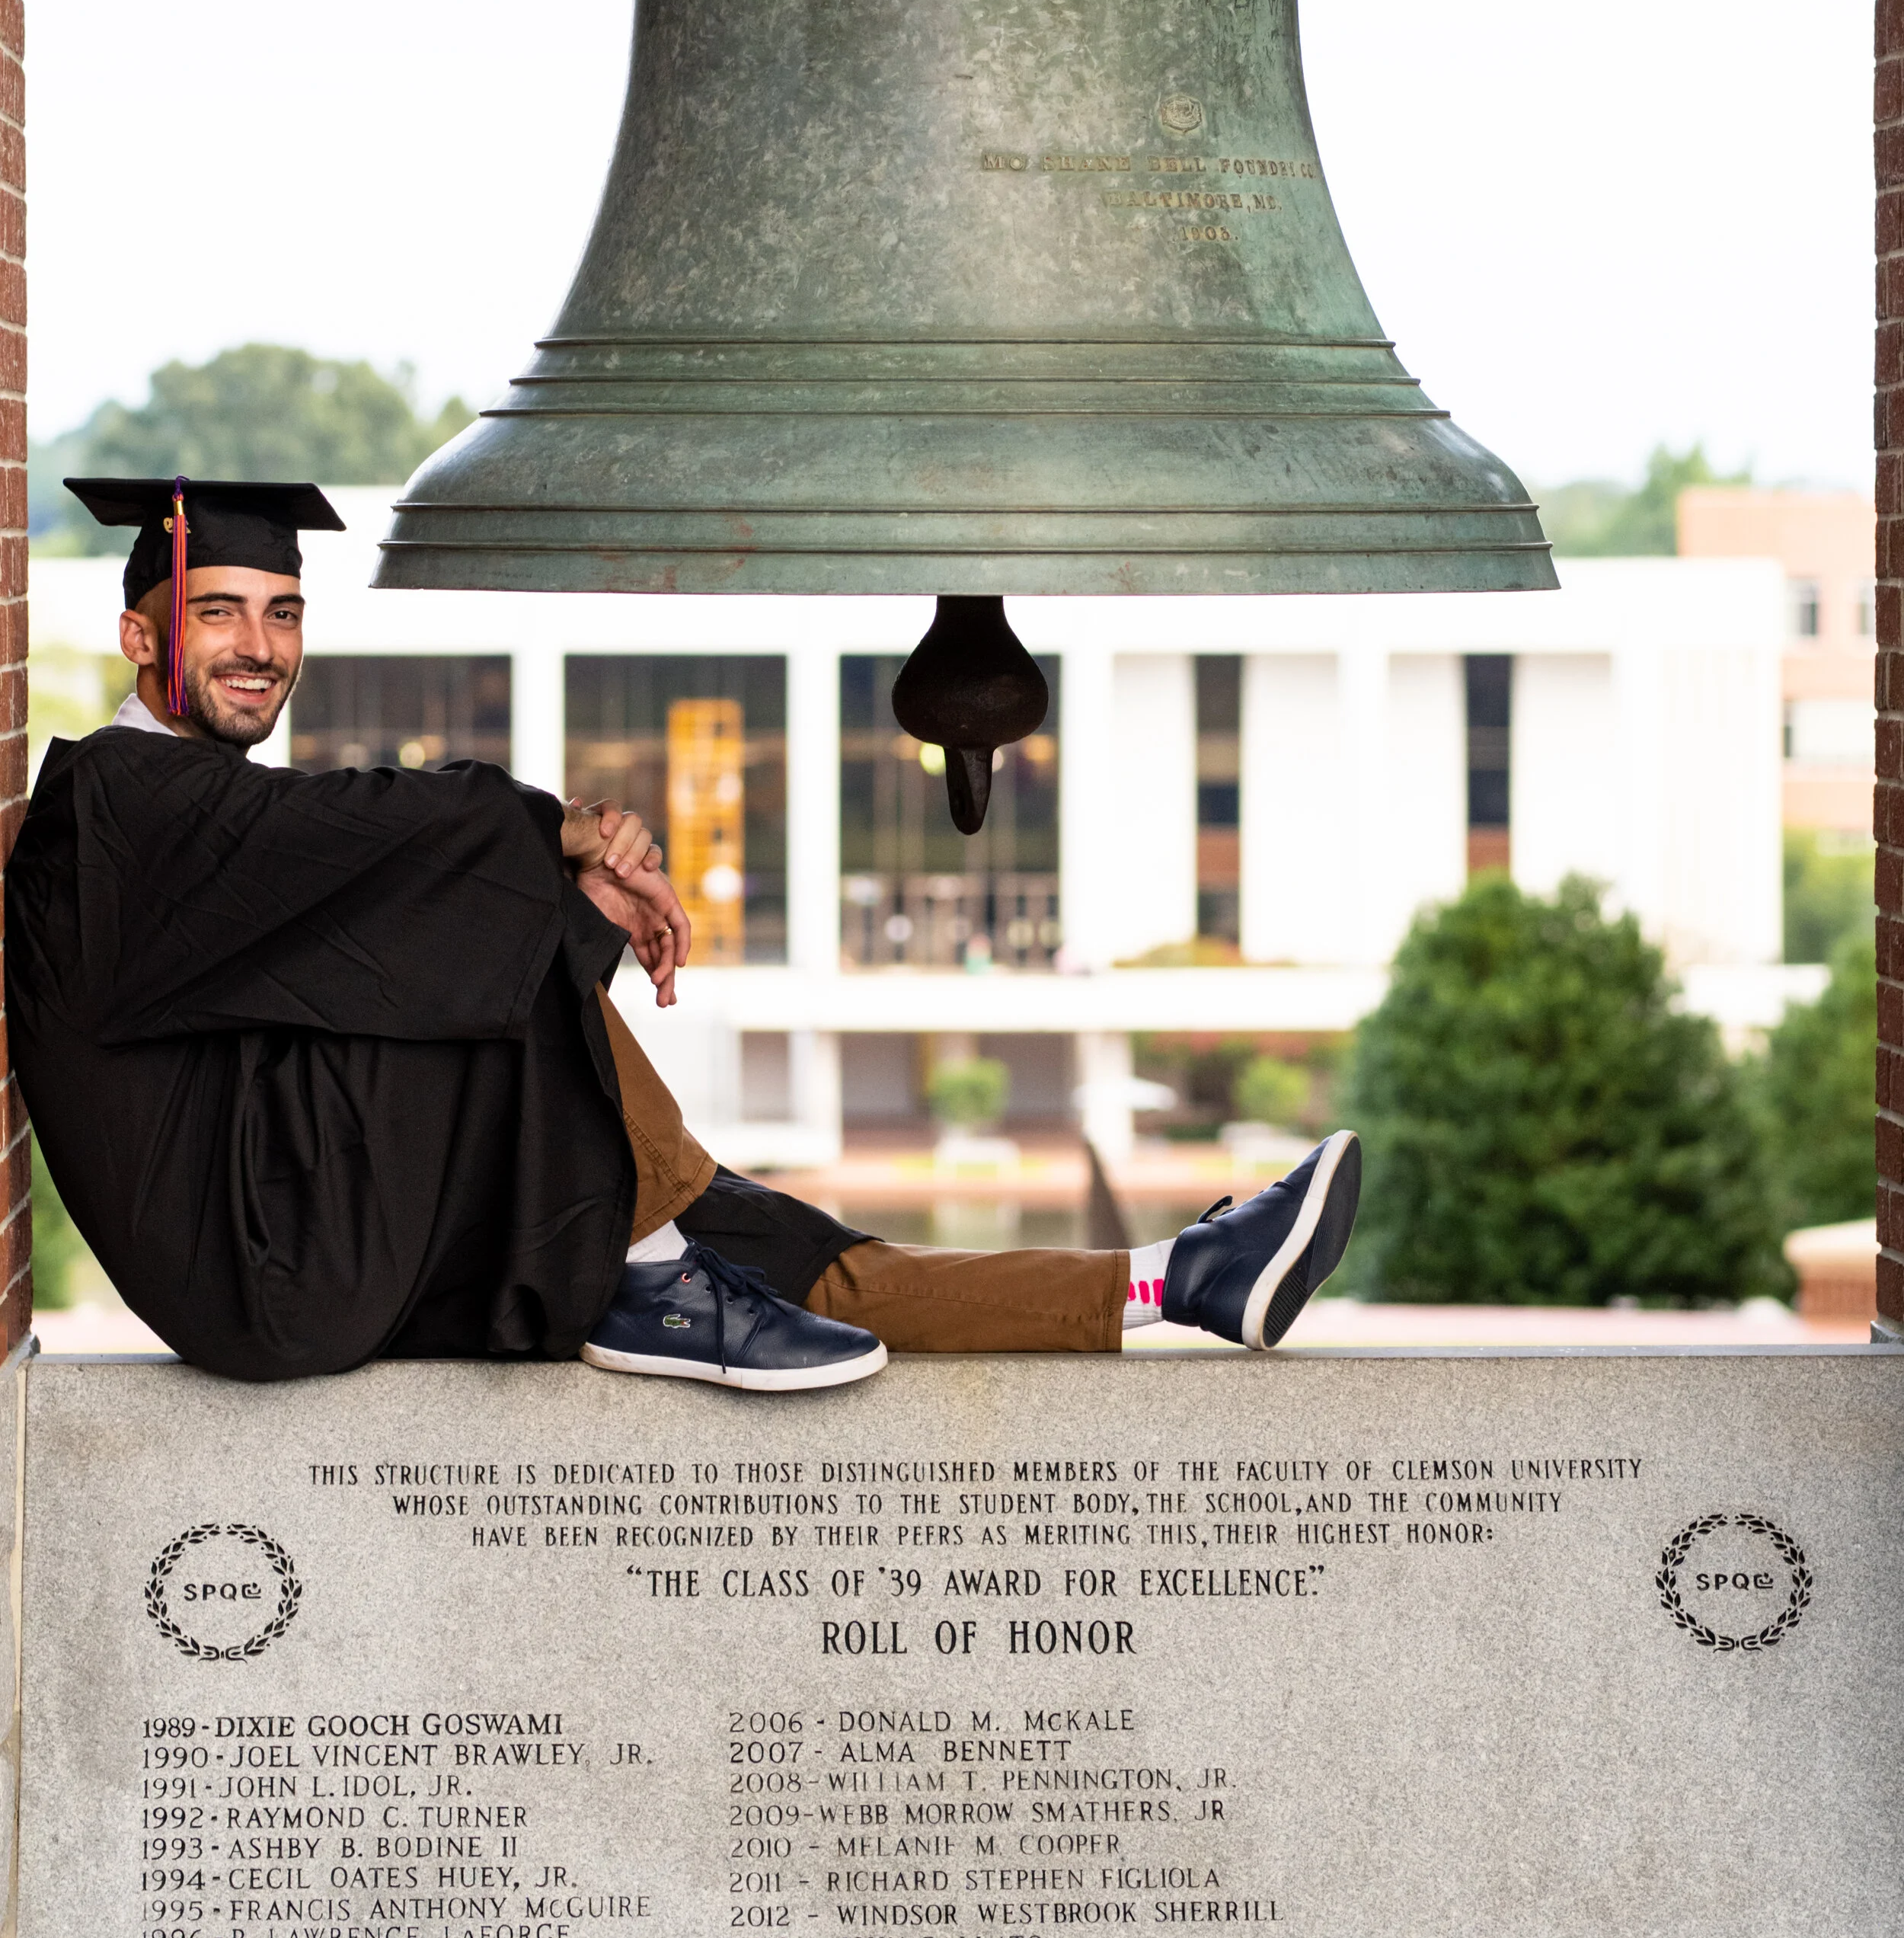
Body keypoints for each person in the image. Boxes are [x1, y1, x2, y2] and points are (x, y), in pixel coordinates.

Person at [5, 476, 1361, 1391]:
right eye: (219, 611)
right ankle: (648, 1268)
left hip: (327, 1201)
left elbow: (331, 877)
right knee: (482, 924)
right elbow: (362, 835)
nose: (259, 643)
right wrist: (564, 835)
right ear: (139, 632)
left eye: (284, 611)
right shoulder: (108, 804)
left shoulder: (206, 821)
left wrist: (563, 888)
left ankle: (1173, 1281)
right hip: (268, 1255)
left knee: (799, 1258)